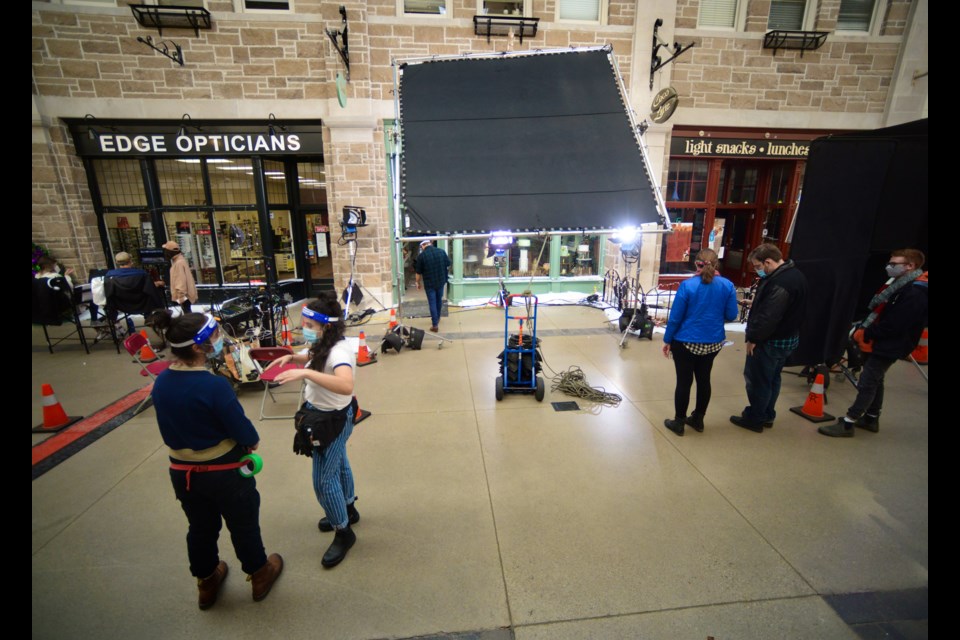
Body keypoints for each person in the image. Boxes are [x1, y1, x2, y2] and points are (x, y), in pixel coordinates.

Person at [150, 311, 283, 609]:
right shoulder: (214, 386)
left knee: (200, 527)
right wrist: (251, 442)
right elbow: (243, 431)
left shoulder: (162, 383)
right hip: (225, 472)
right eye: (213, 335)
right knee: (243, 523)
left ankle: (207, 581)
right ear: (199, 347)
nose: (218, 339)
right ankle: (259, 573)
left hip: (183, 474)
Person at [265, 293, 359, 569]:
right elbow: (315, 354)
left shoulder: (340, 352)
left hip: (332, 421)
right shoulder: (326, 343)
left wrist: (304, 374)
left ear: (326, 326)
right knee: (340, 463)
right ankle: (349, 509)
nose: (303, 328)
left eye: (308, 324)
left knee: (323, 481)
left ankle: (343, 531)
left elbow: (345, 385)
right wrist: (292, 357)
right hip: (328, 414)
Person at [818, 248, 928, 437]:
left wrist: (867, 332)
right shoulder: (901, 285)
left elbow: (896, 324)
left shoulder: (914, 293)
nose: (889, 267)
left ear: (910, 266)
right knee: (877, 380)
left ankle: (849, 422)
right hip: (886, 340)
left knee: (868, 382)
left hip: (890, 343)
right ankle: (871, 417)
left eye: (895, 264)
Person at [730, 243, 807, 433]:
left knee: (758, 379)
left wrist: (753, 338)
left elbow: (769, 316)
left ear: (768, 261)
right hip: (787, 339)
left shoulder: (780, 282)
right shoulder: (795, 275)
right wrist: (756, 302)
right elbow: (782, 307)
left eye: (757, 266)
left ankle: (755, 418)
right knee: (773, 378)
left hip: (769, 341)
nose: (757, 271)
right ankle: (767, 414)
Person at [661, 249, 739, 436]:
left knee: (684, 382)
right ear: (716, 264)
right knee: (704, 380)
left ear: (696, 264)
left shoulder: (687, 286)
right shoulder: (727, 286)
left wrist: (667, 339)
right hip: (713, 341)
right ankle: (698, 419)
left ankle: (679, 422)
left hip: (685, 341)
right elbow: (731, 315)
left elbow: (675, 318)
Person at [414, 239, 451, 332]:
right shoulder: (441, 252)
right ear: (430, 244)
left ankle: (435, 325)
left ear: (423, 246)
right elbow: (448, 264)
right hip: (441, 281)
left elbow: (418, 273)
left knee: (432, 302)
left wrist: (417, 282)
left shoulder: (421, 256)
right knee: (439, 300)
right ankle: (437, 318)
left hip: (429, 283)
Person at [162, 240, 199, 314]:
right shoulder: (180, 261)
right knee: (187, 314)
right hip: (186, 295)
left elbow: (180, 282)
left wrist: (181, 298)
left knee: (187, 315)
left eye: (166, 251)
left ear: (170, 252)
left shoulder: (178, 263)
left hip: (184, 296)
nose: (165, 253)